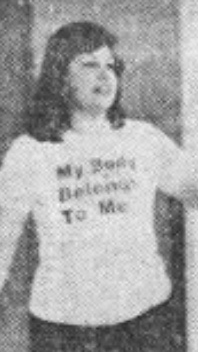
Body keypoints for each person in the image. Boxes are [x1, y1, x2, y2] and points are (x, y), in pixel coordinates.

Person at [0, 20, 196, 352]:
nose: (105, 75)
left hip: (146, 321)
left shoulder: (143, 138)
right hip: (64, 329)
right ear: (60, 76)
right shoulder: (30, 151)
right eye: (89, 64)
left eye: (110, 66)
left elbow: (194, 188)